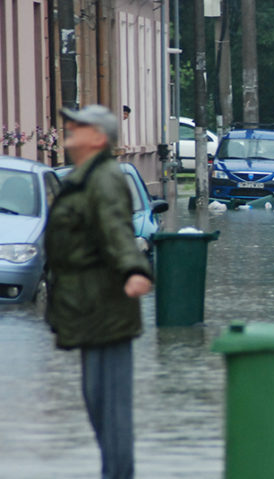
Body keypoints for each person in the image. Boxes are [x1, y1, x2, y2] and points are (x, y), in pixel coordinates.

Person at [44, 104, 153, 479]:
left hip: (106, 305)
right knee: (97, 403)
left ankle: (119, 475)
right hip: (88, 306)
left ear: (99, 137)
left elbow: (117, 230)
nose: (69, 128)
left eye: (81, 125)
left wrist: (135, 269)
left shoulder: (104, 178)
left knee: (111, 408)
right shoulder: (83, 177)